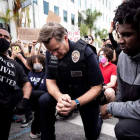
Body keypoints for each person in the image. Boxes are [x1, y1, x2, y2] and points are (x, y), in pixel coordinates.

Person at [37, 22, 104, 140]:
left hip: (85, 95)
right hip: (64, 93)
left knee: (91, 135)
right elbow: (50, 81)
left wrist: (75, 103)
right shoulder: (50, 53)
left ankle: (98, 120)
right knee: (44, 100)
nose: (54, 54)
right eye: (50, 51)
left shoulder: (86, 52)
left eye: (56, 49)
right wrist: (59, 97)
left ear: (65, 38)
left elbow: (97, 87)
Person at [100, 0, 140, 140]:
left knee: (124, 129)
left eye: (127, 35)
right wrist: (119, 111)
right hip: (132, 117)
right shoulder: (122, 57)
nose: (121, 41)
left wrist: (111, 108)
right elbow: (122, 96)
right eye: (119, 34)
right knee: (122, 127)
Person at [0, 27, 32, 140]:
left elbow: (26, 84)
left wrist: (25, 100)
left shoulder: (15, 65)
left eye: (6, 37)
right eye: (0, 36)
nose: (3, 39)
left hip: (6, 110)